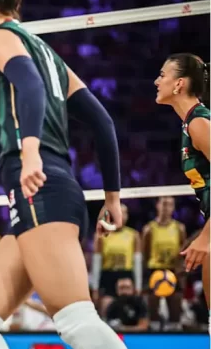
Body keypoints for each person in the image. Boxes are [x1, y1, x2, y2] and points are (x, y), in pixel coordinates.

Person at [0, 0, 128, 349]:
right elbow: (102, 122)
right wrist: (112, 198)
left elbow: (29, 84)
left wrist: (29, 150)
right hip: (50, 189)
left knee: (75, 321)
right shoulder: (46, 51)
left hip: (38, 185)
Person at [154, 53, 210, 304]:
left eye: (162, 75)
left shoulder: (199, 122)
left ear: (179, 84)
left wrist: (205, 238)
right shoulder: (190, 122)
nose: (156, 81)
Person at [141, 196, 186, 329]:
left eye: (170, 204)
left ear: (173, 208)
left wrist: (181, 273)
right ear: (158, 205)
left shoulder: (179, 228)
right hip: (155, 270)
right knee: (153, 306)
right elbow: (145, 253)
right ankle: (154, 329)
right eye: (164, 204)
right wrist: (145, 278)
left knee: (175, 304)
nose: (166, 207)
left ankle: (175, 329)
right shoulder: (149, 228)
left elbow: (183, 251)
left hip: (173, 270)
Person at [91, 204, 142, 316]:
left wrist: (138, 286)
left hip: (126, 275)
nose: (122, 216)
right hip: (108, 275)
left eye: (125, 213)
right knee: (106, 307)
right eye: (119, 212)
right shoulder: (101, 235)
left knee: (128, 309)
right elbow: (96, 262)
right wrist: (95, 288)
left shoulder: (133, 235)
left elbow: (137, 262)